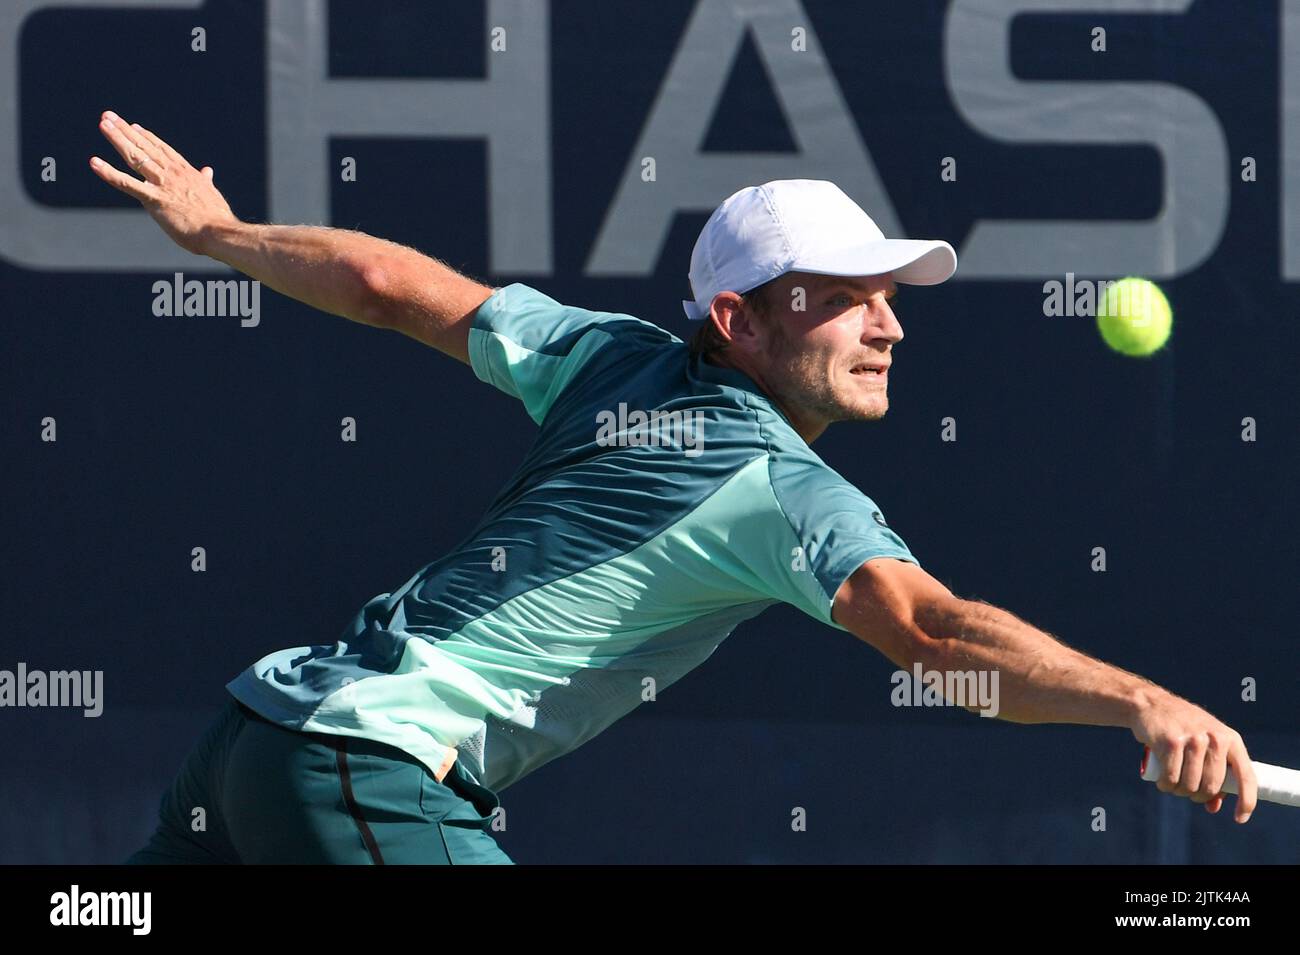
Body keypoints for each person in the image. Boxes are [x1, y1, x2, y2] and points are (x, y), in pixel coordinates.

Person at [90, 111, 1257, 865]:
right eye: (845, 297)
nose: (887, 325)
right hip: (370, 764)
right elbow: (932, 632)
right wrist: (1139, 700)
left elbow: (393, 285)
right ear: (738, 321)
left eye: (890, 295)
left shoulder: (604, 355)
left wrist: (224, 234)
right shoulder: (778, 488)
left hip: (260, 743)